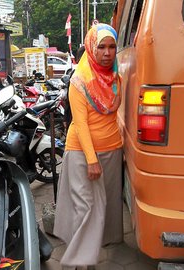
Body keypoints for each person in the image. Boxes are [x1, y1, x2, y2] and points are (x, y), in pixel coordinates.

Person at [54, 23, 122, 270]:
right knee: (85, 208)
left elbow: (117, 117)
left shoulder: (116, 78)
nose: (107, 52)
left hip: (113, 150)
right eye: (101, 47)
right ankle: (75, 262)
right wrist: (92, 159)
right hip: (82, 152)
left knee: (106, 208)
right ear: (92, 48)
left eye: (112, 47)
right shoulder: (79, 81)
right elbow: (80, 124)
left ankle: (89, 257)